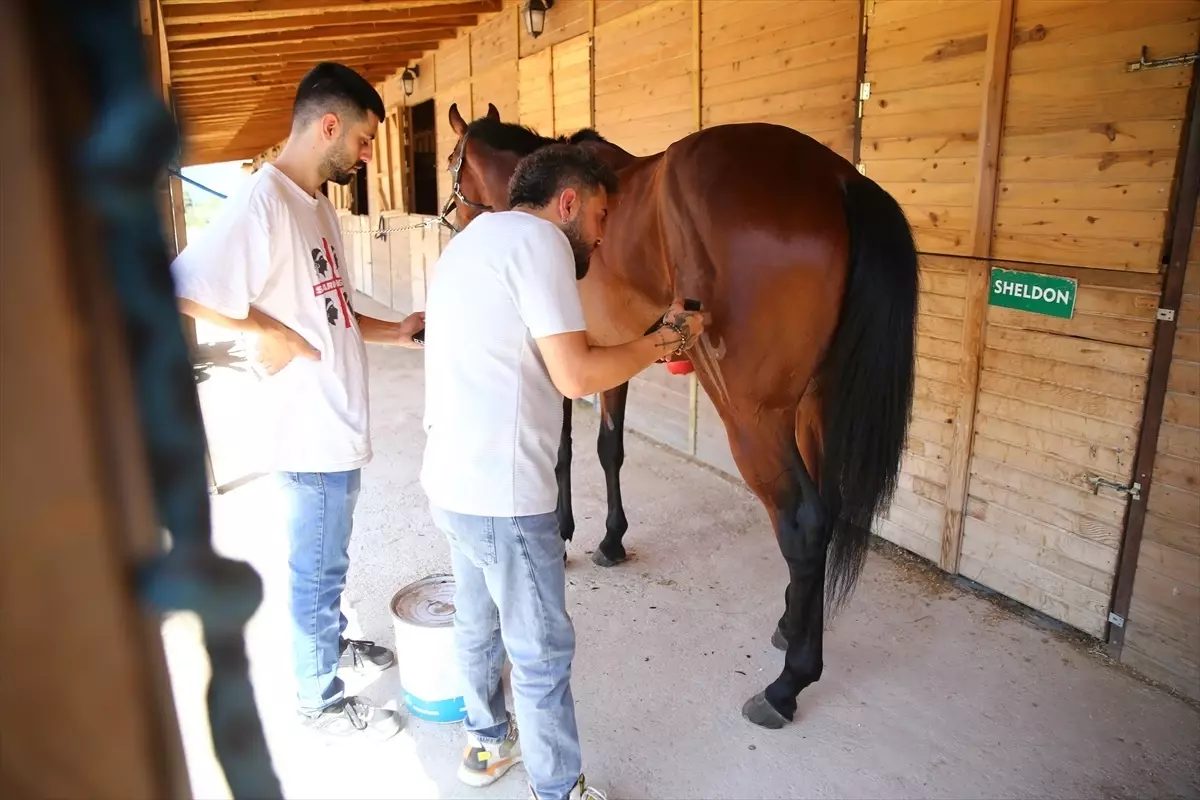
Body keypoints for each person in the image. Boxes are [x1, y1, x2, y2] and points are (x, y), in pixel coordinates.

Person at [420, 144, 708, 800]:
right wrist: (665, 342)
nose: (603, 237)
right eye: (602, 216)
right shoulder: (542, 243)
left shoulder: (473, 241)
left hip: (452, 485)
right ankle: (557, 788)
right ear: (568, 203)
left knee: (478, 624)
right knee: (540, 650)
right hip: (506, 495)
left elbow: (553, 352)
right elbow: (576, 376)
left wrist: (642, 339)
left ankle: (486, 745)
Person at [171, 62, 424, 738]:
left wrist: (396, 330)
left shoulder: (315, 206)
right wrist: (265, 331)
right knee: (314, 569)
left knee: (329, 561)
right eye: (364, 141)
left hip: (336, 423)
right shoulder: (263, 201)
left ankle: (331, 645)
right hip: (305, 430)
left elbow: (332, 309)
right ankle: (317, 699)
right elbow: (183, 285)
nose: (366, 155)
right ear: (329, 125)